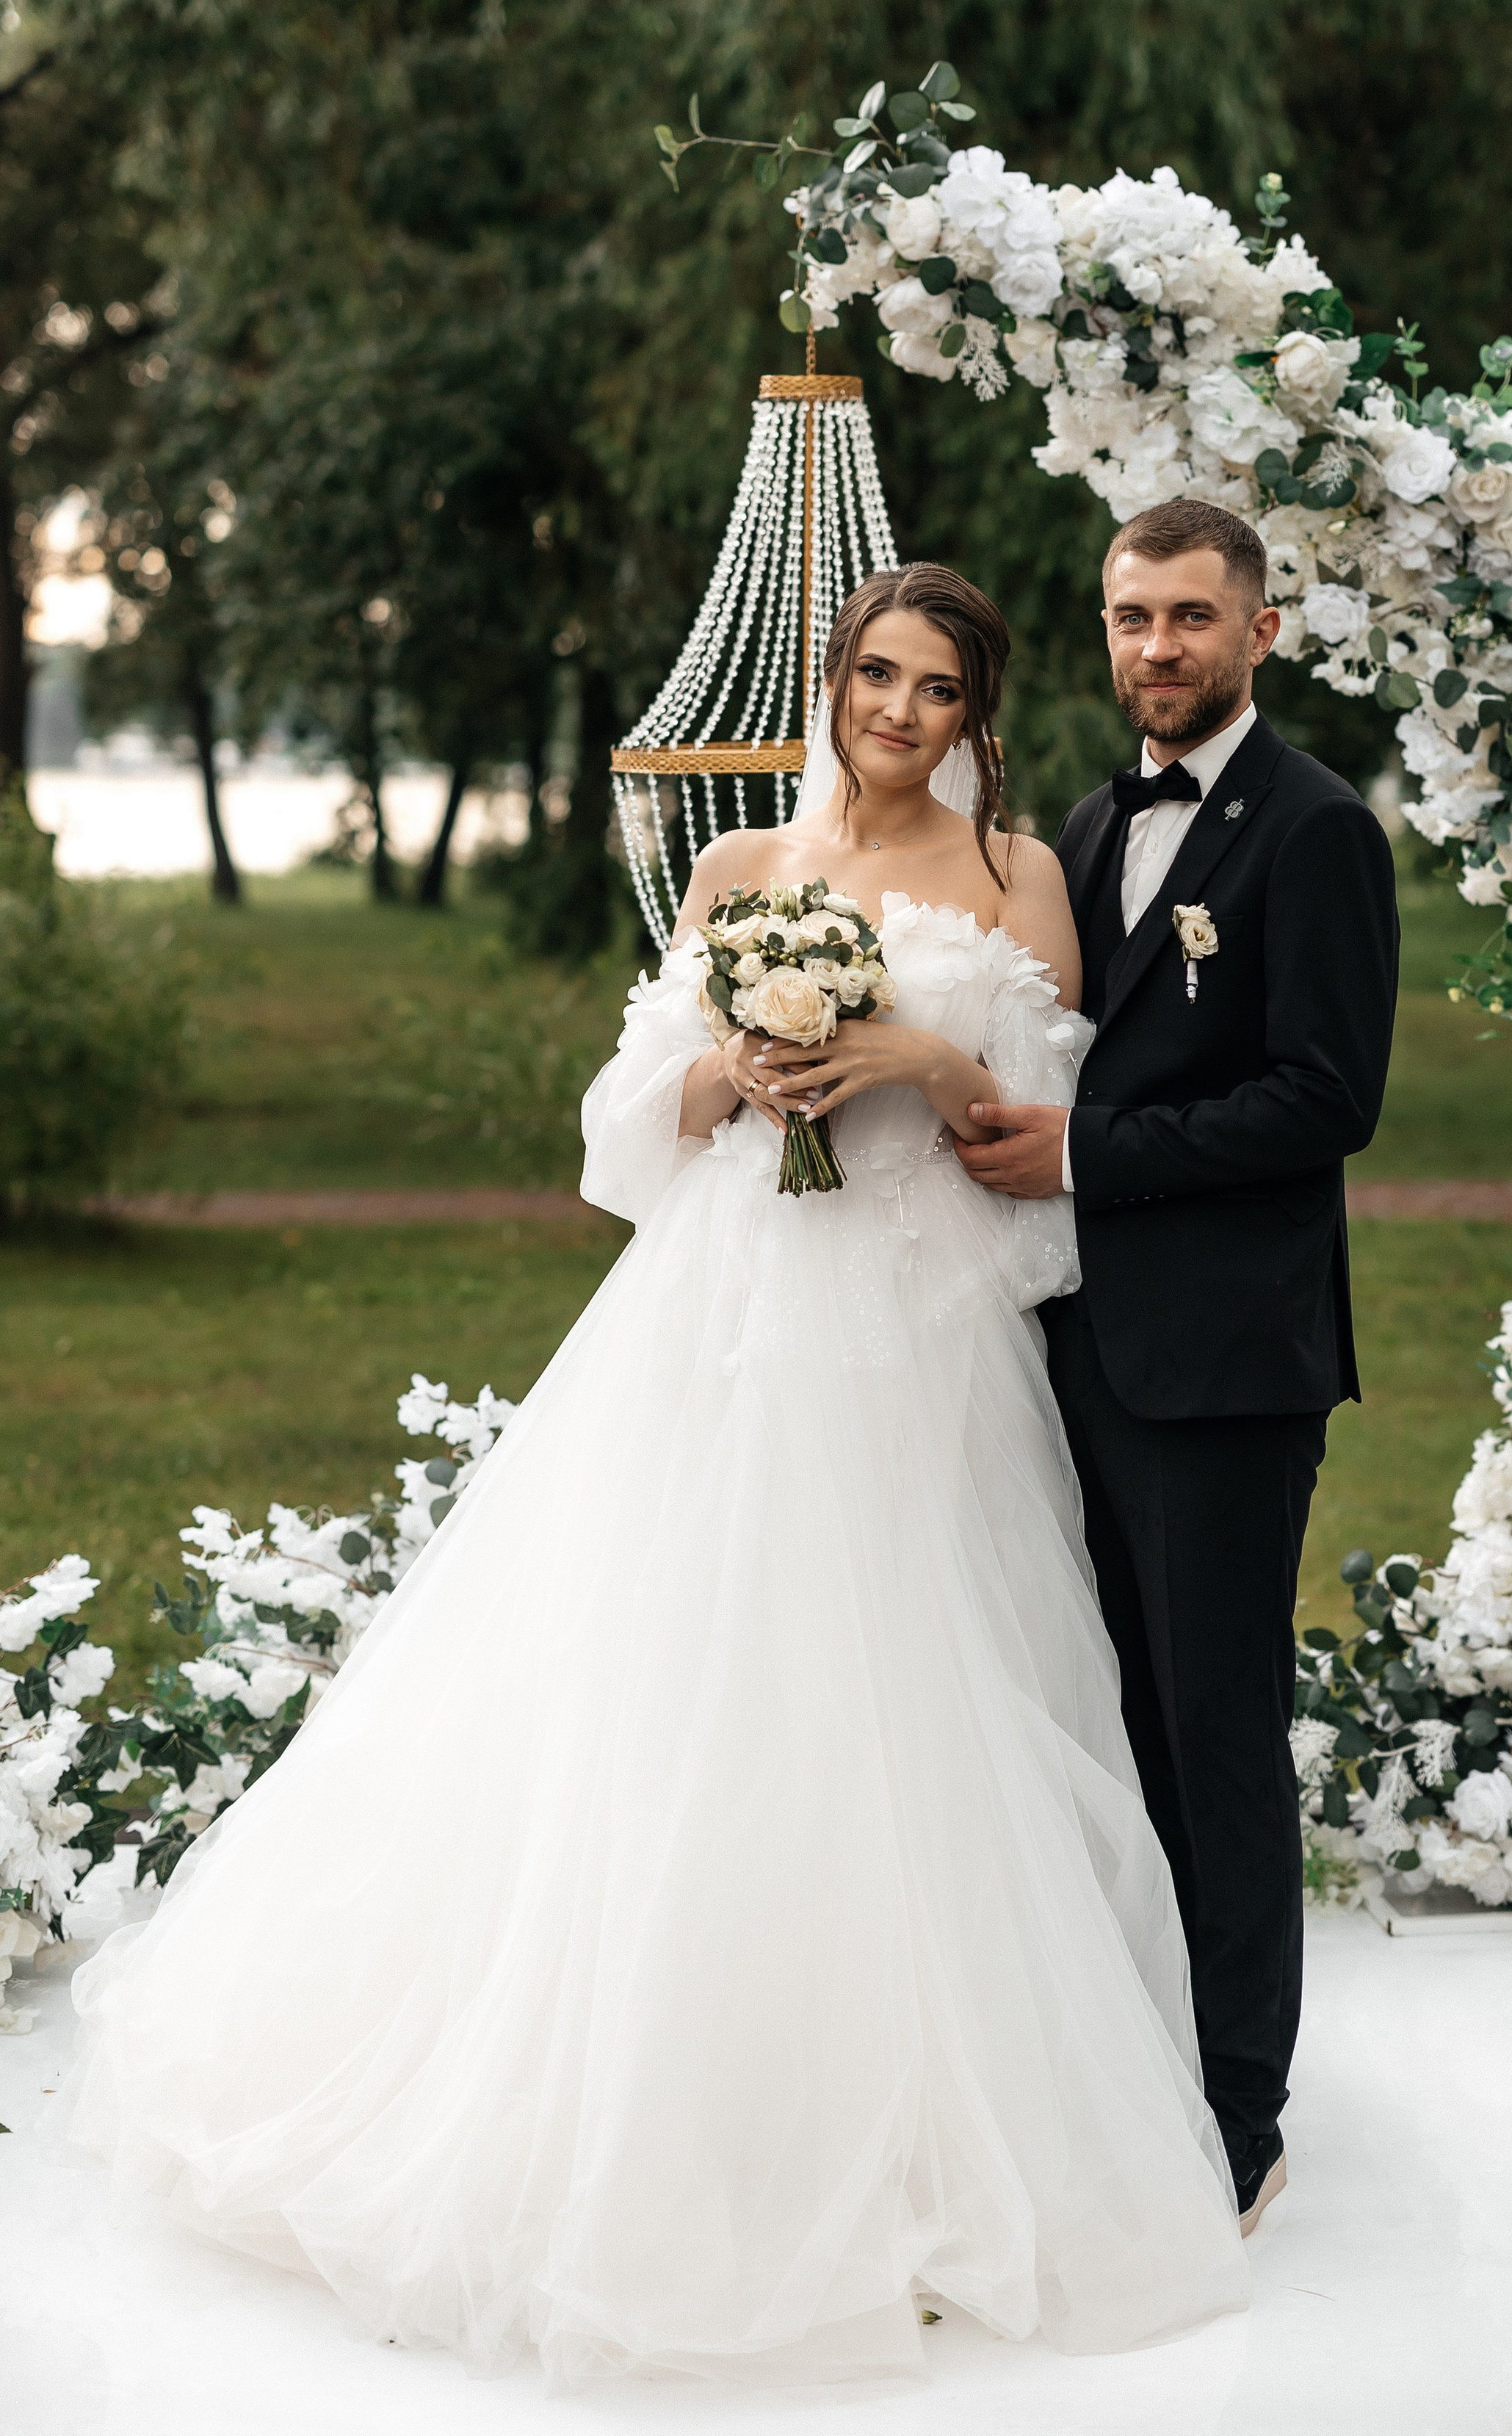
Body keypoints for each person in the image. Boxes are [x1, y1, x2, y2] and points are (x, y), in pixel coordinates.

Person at [62, 562, 1250, 2390]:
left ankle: (911, 2109)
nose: (898, 711)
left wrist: (914, 1053)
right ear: (830, 678)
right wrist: (735, 1072)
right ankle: (641, 2096)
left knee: (907, 1701)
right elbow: (622, 1137)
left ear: (975, 717)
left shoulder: (1022, 881)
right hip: (725, 1312)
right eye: (874, 673)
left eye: (937, 688)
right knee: (672, 1681)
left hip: (919, 1338)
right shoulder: (731, 878)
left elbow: (1030, 1129)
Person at [955, 500, 1399, 2234]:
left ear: (1258, 632)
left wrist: (1082, 1156)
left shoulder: (1316, 832)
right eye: (1130, 617)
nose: (1156, 648)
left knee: (1217, 1734)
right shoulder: (1083, 821)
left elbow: (1323, 1102)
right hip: (1083, 1350)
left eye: (1190, 619)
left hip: (1225, 1367)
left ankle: (1239, 2113)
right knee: (1116, 1718)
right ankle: (1139, 2047)